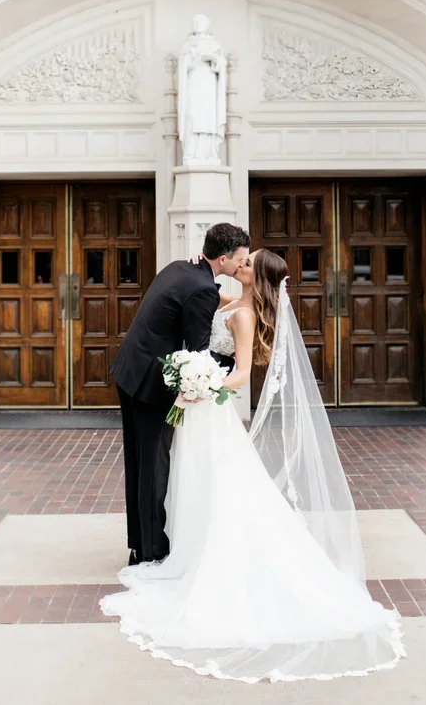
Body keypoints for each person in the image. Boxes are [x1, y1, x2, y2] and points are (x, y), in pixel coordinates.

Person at [101, 249, 405, 682]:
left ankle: (211, 553)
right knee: (193, 480)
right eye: (241, 257)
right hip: (199, 408)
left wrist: (201, 384)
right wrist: (198, 262)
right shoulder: (228, 299)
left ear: (256, 273)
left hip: (209, 406)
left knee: (219, 483)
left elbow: (241, 373)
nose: (242, 262)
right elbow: (201, 293)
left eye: (249, 261)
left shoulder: (244, 317)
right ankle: (186, 544)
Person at [109, 222, 250, 566]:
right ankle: (151, 550)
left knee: (139, 462)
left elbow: (202, 303)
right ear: (222, 257)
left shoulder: (179, 268)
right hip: (151, 384)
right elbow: (198, 352)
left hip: (129, 370)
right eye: (240, 260)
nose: (241, 266)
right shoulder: (203, 289)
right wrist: (223, 366)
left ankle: (138, 541)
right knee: (154, 465)